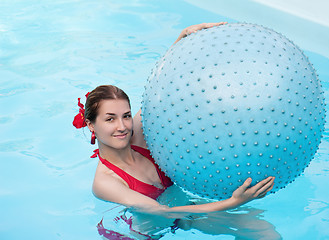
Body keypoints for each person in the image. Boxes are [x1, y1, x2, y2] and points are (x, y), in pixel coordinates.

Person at [73, 22, 275, 215]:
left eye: (126, 116)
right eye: (110, 119)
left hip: (186, 211)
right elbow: (163, 213)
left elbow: (163, 88)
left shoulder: (136, 134)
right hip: (145, 231)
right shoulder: (105, 183)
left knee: (263, 229)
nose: (122, 126)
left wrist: (182, 38)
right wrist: (233, 202)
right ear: (91, 125)